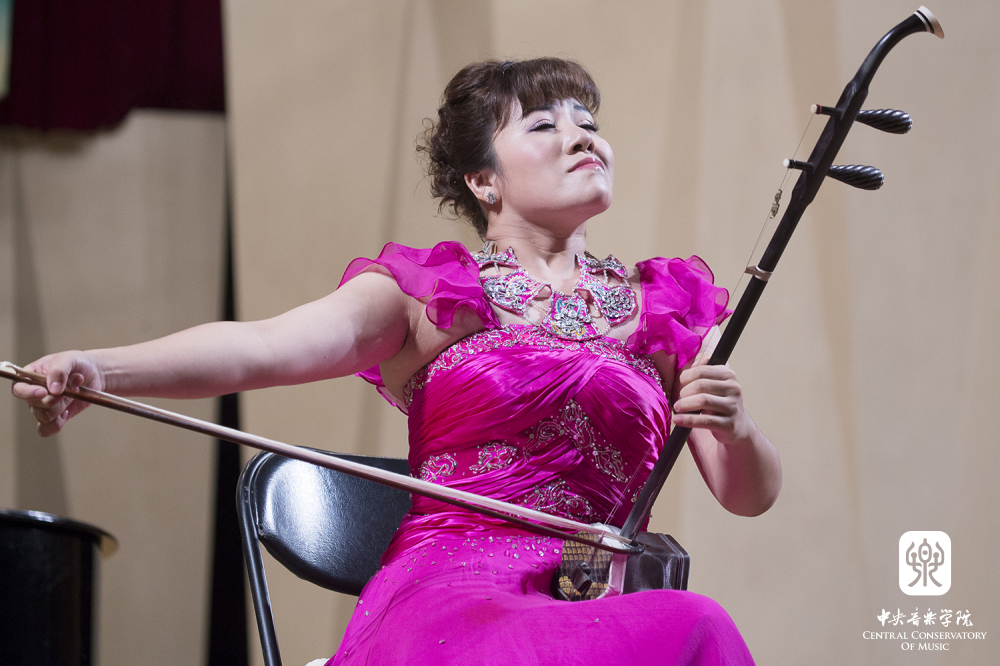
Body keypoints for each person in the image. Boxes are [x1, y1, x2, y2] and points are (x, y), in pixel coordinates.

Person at [14, 58, 781, 665]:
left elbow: (747, 495)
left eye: (589, 123)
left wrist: (738, 427)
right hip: (454, 595)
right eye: (546, 124)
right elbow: (262, 347)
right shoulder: (430, 292)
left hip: (594, 592)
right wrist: (103, 368)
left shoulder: (666, 308)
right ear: (484, 180)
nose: (582, 137)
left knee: (697, 625)